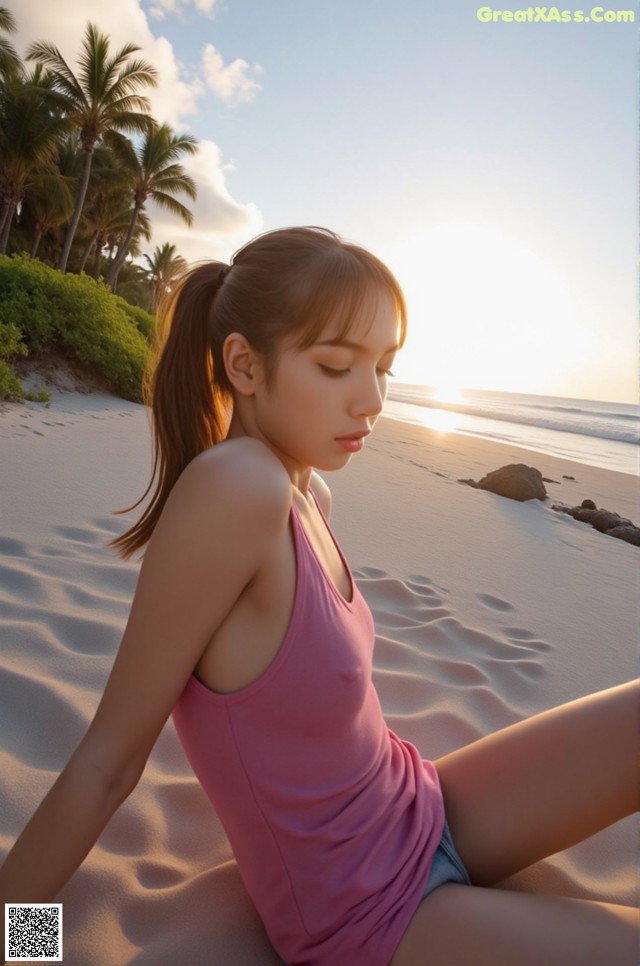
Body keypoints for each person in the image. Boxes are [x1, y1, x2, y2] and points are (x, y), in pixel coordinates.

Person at [0, 226, 637, 966]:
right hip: (362, 912)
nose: (371, 400)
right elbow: (108, 760)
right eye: (337, 366)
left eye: (385, 367)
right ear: (244, 364)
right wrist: (21, 943)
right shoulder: (235, 489)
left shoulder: (310, 490)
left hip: (422, 805)